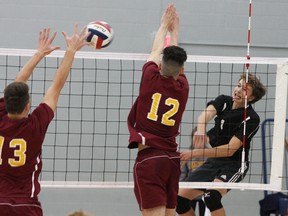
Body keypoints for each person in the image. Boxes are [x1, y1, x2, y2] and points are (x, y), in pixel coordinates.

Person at [0, 24, 90, 216]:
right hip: (26, 205)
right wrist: (71, 51)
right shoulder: (35, 126)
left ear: (6, 103)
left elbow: (19, 81)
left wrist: (39, 54)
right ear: (27, 106)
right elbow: (56, 86)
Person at [127, 4, 189, 216]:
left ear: (160, 65)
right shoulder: (183, 88)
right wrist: (175, 31)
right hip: (172, 161)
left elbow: (155, 51)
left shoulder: (150, 78)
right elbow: (175, 64)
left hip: (150, 160)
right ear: (181, 70)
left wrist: (164, 26)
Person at [176, 73, 266, 216]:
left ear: (252, 97)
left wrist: (194, 153)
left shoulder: (251, 118)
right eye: (238, 85)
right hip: (214, 161)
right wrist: (201, 130)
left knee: (211, 197)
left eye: (244, 89)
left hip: (235, 164)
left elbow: (229, 150)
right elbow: (205, 115)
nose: (238, 90)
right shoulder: (224, 101)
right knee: (179, 199)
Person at [180, 127, 207, 216]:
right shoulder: (187, 156)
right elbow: (182, 176)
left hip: (205, 194)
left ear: (206, 139)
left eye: (201, 138)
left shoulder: (211, 155)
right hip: (190, 192)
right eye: (196, 138)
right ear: (192, 139)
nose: (199, 141)